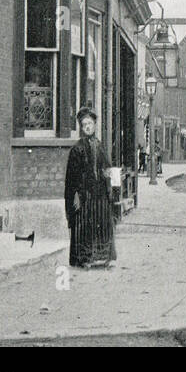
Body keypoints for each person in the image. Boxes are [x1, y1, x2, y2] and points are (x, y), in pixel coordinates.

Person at [64, 107, 117, 268]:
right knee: (84, 225)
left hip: (100, 194)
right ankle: (84, 258)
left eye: (90, 123)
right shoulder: (76, 149)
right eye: (84, 124)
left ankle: (102, 256)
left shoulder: (100, 146)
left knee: (102, 224)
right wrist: (75, 197)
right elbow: (71, 179)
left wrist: (112, 182)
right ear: (81, 127)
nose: (87, 127)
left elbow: (107, 168)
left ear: (94, 125)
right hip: (84, 195)